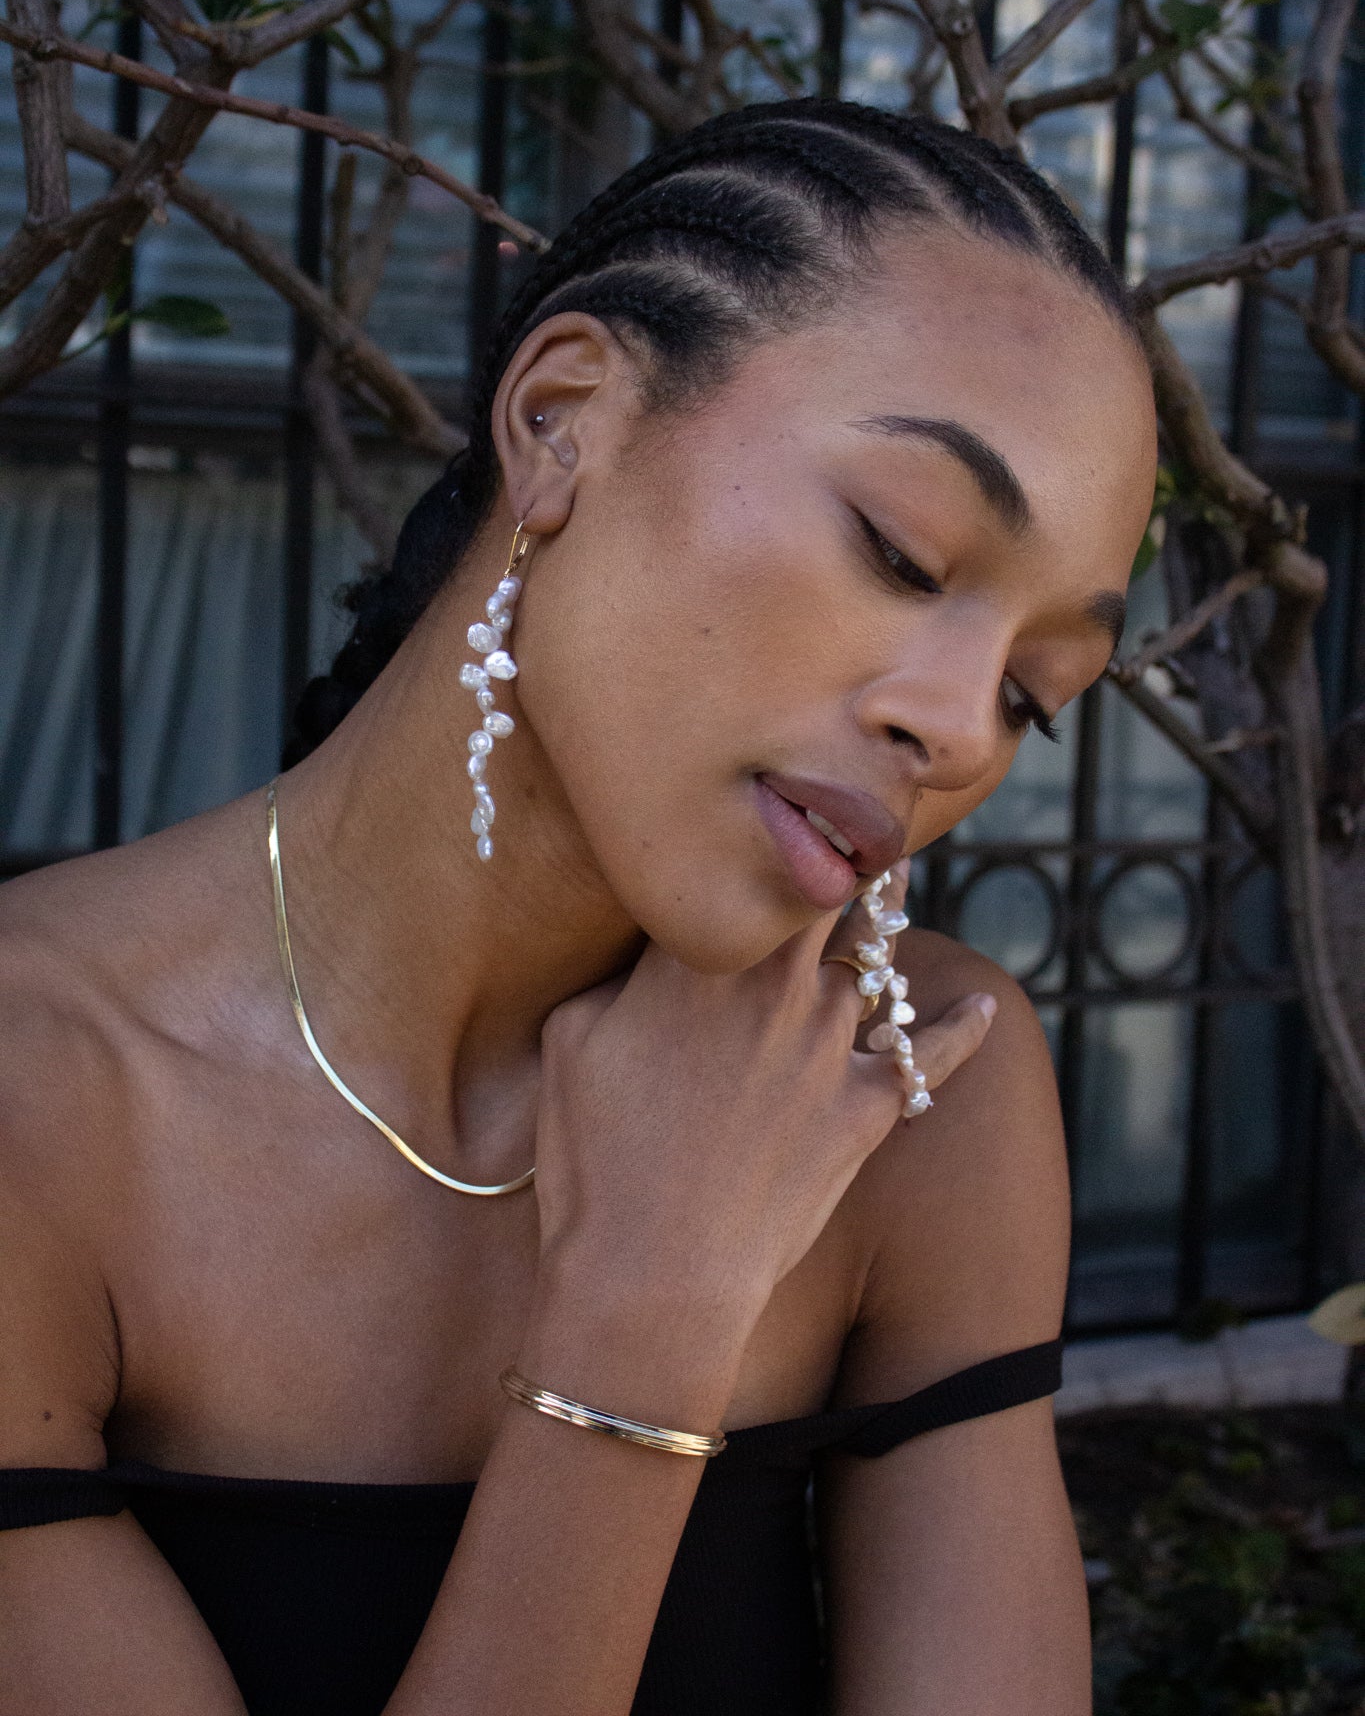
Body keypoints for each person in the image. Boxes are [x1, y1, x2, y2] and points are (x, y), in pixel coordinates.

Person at [0, 99, 1156, 1715]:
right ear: (563, 419)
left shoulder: (917, 1091)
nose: (961, 731)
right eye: (900, 553)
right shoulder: (38, 1101)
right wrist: (644, 1322)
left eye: (1037, 692)